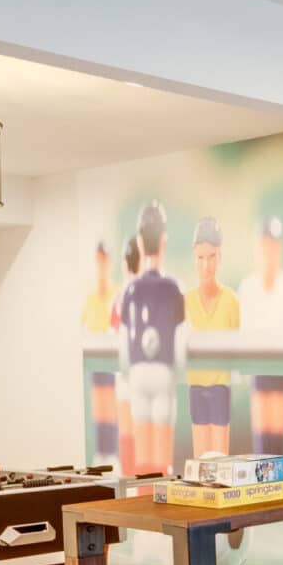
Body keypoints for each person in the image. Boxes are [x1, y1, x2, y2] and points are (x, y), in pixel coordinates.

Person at [118, 201, 185, 476]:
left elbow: (123, 351)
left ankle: (143, 498)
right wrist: (177, 375)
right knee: (162, 460)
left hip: (137, 374)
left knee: (143, 462)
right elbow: (180, 345)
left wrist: (129, 372)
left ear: (140, 243)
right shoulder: (174, 289)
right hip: (164, 374)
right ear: (164, 241)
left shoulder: (130, 291)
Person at [237, 216, 283, 455]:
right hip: (259, 366)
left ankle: (279, 474)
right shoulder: (249, 287)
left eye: (272, 246)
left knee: (278, 434)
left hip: (282, 365)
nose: (268, 253)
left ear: (279, 249)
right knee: (263, 435)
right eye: (264, 247)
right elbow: (244, 331)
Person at [183, 216, 240, 457]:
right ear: (194, 257)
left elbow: (239, 349)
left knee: (219, 460)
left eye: (212, 256)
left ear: (220, 256)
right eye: (200, 258)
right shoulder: (185, 302)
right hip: (196, 387)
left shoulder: (230, 300)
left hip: (220, 389)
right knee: (200, 460)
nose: (206, 265)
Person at [79, 239, 118, 466]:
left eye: (105, 260)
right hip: (96, 365)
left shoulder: (117, 294)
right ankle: (102, 454)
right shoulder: (90, 299)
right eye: (99, 260)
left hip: (114, 365)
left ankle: (111, 454)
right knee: (99, 408)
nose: (102, 265)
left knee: (111, 409)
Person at [110, 235, 141, 473]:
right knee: (141, 438)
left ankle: (131, 482)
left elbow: (113, 331)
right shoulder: (145, 294)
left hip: (124, 378)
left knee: (128, 436)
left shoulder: (120, 296)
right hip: (141, 377)